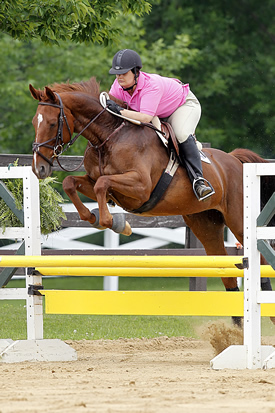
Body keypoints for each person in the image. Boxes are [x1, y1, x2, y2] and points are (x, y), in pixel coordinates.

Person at [107, 48, 214, 201]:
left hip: (182, 106)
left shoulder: (151, 86)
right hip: (158, 112)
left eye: (124, 73)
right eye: (117, 74)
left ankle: (199, 180)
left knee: (181, 133)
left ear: (136, 72)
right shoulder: (118, 86)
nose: (119, 77)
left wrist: (119, 111)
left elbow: (144, 117)